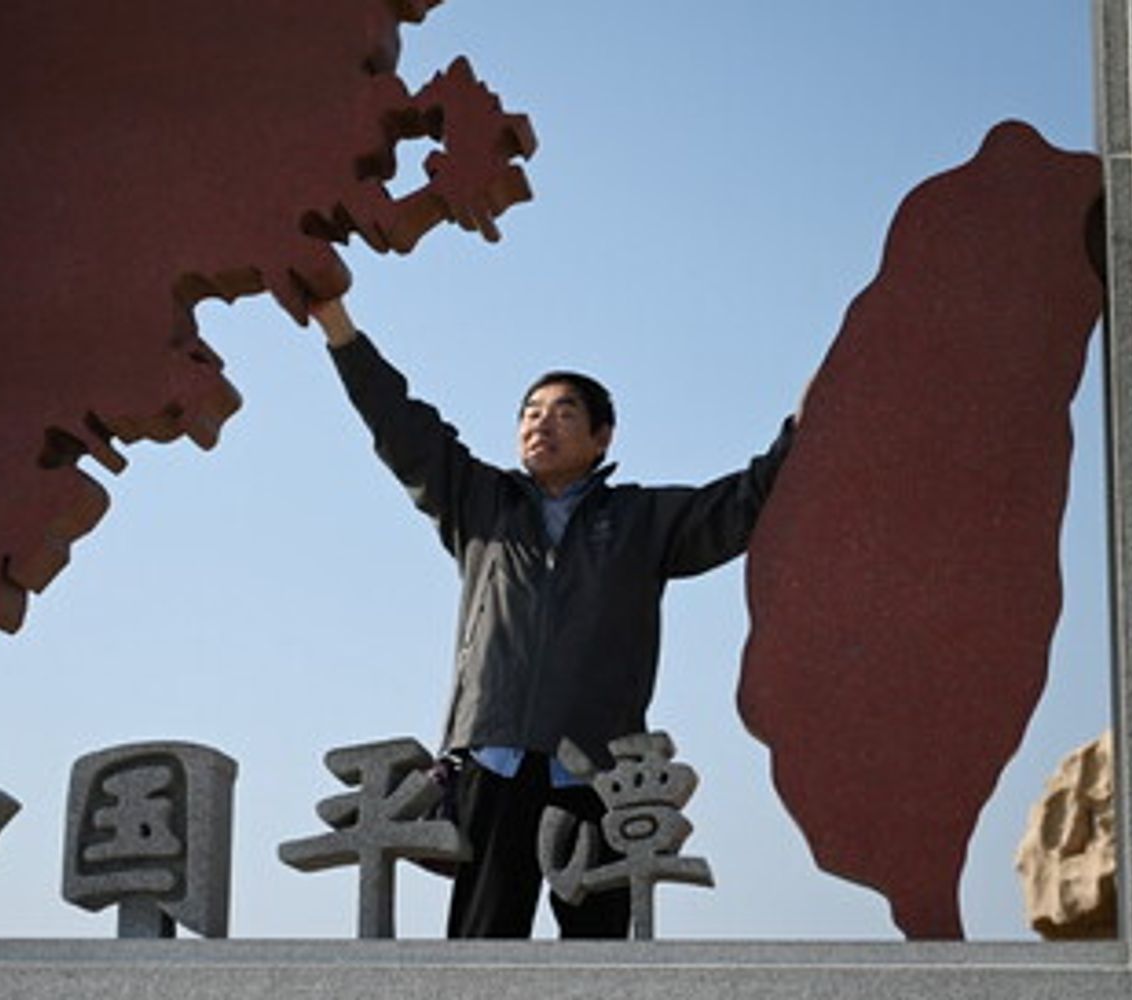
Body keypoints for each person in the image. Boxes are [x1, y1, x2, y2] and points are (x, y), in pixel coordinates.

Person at [308, 297, 795, 938]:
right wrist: (338, 327)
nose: (542, 424)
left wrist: (808, 422)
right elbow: (400, 425)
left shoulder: (642, 520)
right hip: (494, 759)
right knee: (482, 950)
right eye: (531, 413)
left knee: (598, 958)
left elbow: (746, 501)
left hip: (599, 768)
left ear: (601, 437)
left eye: (564, 413)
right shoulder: (480, 504)